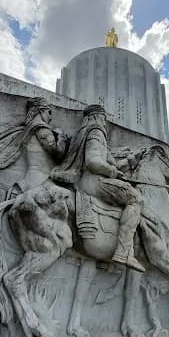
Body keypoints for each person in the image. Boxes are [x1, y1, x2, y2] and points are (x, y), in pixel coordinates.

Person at [50, 104, 145, 272]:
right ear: (96, 117)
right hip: (94, 181)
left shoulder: (79, 134)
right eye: (103, 118)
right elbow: (94, 162)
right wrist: (113, 172)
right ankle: (124, 252)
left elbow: (109, 162)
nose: (105, 123)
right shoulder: (96, 131)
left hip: (83, 181)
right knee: (135, 198)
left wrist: (129, 161)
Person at [0, 97, 67, 191]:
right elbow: (57, 154)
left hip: (32, 176)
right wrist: (62, 137)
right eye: (49, 112)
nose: (50, 117)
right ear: (41, 110)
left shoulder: (27, 128)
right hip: (42, 179)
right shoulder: (42, 128)